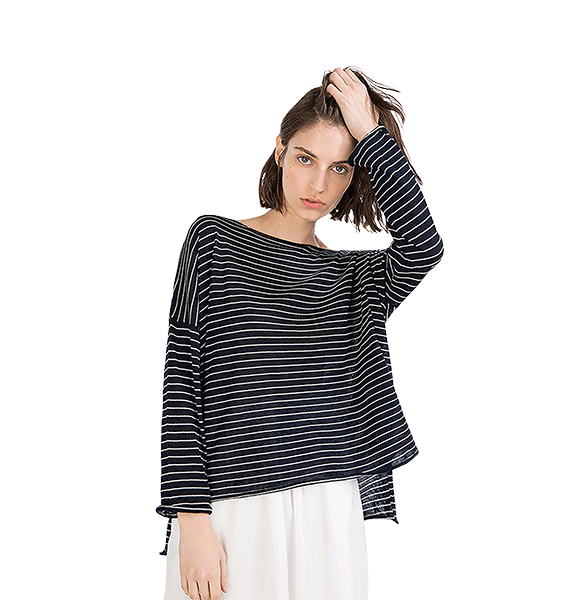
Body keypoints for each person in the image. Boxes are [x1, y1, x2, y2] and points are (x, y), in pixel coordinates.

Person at [157, 66, 444, 600]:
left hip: (328, 508)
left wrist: (370, 134)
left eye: (340, 167)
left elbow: (423, 247)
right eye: (306, 158)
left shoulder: (352, 280)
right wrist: (191, 519)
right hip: (231, 505)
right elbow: (182, 388)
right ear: (280, 150)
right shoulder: (214, 242)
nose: (319, 185)